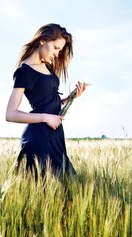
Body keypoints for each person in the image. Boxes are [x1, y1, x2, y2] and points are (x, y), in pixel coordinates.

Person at [6, 23, 86, 178]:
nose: (57, 53)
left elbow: (47, 102)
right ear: (43, 40)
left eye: (60, 50)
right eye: (56, 47)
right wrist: (46, 117)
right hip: (39, 139)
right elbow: (10, 114)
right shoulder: (25, 71)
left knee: (69, 189)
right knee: (40, 192)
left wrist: (70, 98)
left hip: (55, 137)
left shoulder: (47, 66)